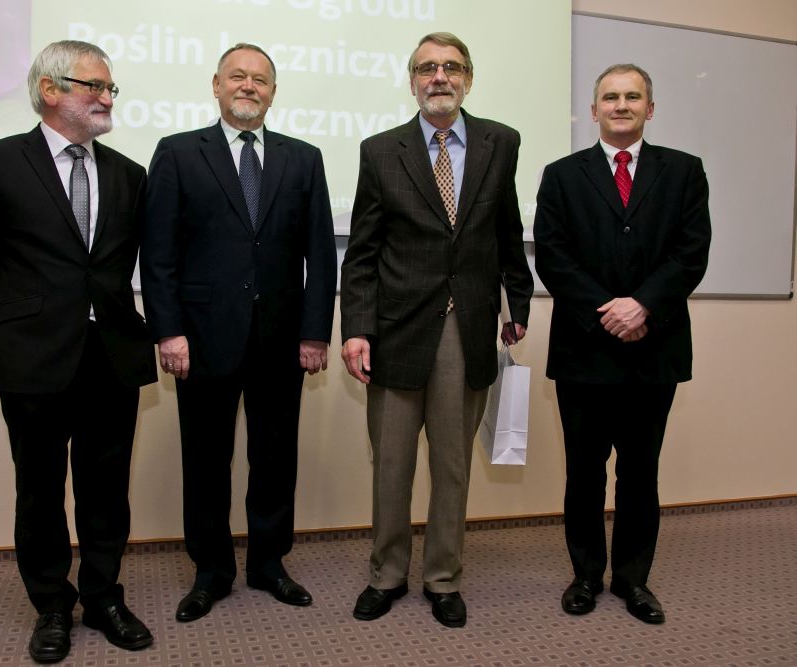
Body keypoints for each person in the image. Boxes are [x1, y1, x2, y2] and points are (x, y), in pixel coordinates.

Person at [0, 40, 156, 662]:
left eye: (110, 88)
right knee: (39, 491)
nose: (106, 97)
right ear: (50, 90)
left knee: (106, 489)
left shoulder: (129, 174)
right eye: (94, 86)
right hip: (33, 359)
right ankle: (51, 606)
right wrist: (18, 328)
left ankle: (103, 597)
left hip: (111, 356)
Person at [340, 32, 533, 628]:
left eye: (451, 67)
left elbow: (507, 229)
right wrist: (356, 328)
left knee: (453, 466)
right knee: (391, 465)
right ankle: (387, 574)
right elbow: (363, 251)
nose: (439, 77)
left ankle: (443, 578)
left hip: (466, 325)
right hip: (396, 329)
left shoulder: (501, 142)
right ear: (412, 81)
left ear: (468, 78)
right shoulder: (381, 150)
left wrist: (517, 301)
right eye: (427, 68)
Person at [140, 43, 336, 623]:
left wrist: (315, 332)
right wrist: (168, 331)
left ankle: (269, 563)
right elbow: (158, 252)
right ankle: (211, 571)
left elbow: (320, 255)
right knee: (206, 460)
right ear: (217, 85)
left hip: (281, 338)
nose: (248, 86)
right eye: (237, 77)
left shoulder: (304, 158)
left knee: (275, 458)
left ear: (272, 92)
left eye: (260, 80)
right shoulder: (178, 153)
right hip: (201, 339)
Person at [534, 64, 711, 625]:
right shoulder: (561, 175)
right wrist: (608, 311)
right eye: (610, 97)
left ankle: (633, 580)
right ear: (594, 110)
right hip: (584, 350)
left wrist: (643, 306)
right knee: (584, 474)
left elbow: (691, 252)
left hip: (654, 349)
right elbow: (553, 256)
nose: (621, 105)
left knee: (640, 473)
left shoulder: (684, 171)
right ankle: (586, 575)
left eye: (633, 97)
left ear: (649, 109)